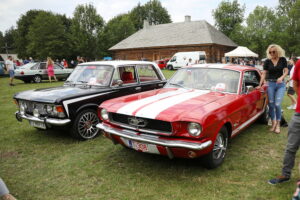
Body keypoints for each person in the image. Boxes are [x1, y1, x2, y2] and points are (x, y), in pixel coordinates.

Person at [268, 58, 300, 185]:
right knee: (291, 147)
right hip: (299, 115)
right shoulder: (299, 64)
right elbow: (296, 82)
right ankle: (285, 174)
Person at [258, 44, 288, 134]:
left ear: (277, 51)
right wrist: (260, 84)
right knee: (271, 104)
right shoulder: (267, 61)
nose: (272, 53)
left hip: (280, 85)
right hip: (270, 84)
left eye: (273, 52)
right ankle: (273, 123)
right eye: (270, 52)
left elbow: (286, 71)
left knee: (277, 104)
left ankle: (278, 124)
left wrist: (281, 77)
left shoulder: (283, 60)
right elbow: (263, 73)